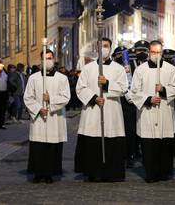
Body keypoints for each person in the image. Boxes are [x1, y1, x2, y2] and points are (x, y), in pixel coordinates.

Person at [75, 37, 128, 182]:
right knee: (93, 143)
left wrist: (107, 84)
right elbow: (80, 88)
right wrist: (93, 98)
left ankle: (112, 173)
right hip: (93, 111)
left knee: (111, 142)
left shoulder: (118, 69)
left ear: (110, 48)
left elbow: (124, 89)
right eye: (101, 46)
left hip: (111, 111)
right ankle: (93, 172)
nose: (103, 48)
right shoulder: (88, 68)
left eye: (106, 46)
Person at [131, 40, 175, 183]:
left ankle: (164, 173)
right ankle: (151, 174)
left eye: (158, 52)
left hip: (164, 112)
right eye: (153, 52)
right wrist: (148, 99)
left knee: (164, 146)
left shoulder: (171, 69)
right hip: (148, 113)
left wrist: (164, 90)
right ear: (148, 52)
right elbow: (134, 91)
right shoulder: (141, 70)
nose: (156, 55)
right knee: (149, 146)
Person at [24, 48, 70, 184]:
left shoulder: (62, 78)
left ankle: (50, 173)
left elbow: (66, 96)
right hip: (39, 118)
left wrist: (51, 99)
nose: (48, 61)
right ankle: (38, 173)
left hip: (54, 118)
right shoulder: (33, 78)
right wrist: (38, 109)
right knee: (38, 147)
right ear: (41, 61)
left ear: (54, 59)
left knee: (51, 147)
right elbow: (28, 97)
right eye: (45, 58)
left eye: (50, 58)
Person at [112, 46, 137, 168]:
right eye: (118, 55)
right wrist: (124, 91)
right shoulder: (112, 67)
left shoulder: (131, 65)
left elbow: (135, 81)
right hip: (116, 100)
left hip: (129, 103)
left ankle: (130, 155)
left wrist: (131, 93)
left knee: (130, 130)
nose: (120, 58)